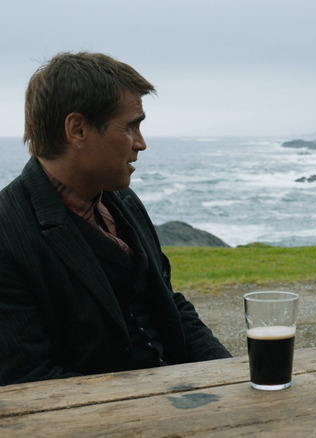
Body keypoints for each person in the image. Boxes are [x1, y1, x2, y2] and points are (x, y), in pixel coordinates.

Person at [0, 52, 231, 385]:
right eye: (131, 126)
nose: (141, 144)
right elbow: (29, 379)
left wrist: (232, 377)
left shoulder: (122, 201)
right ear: (77, 129)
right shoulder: (9, 234)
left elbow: (169, 305)